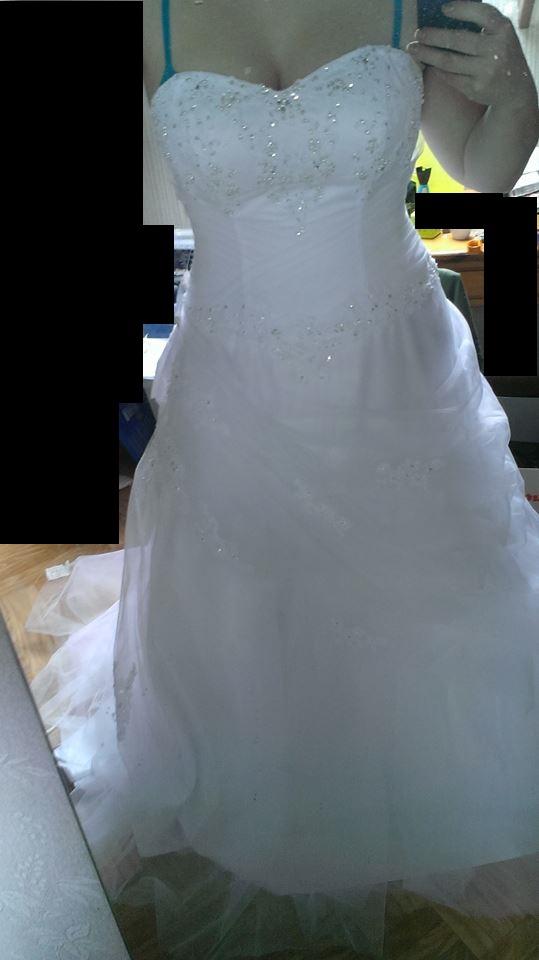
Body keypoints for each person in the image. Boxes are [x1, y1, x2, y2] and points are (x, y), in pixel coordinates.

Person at [29, 2, 539, 958]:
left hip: (391, 372)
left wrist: (515, 91)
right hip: (235, 374)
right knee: (245, 598)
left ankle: (428, 779)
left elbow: (482, 171)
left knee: (415, 586)